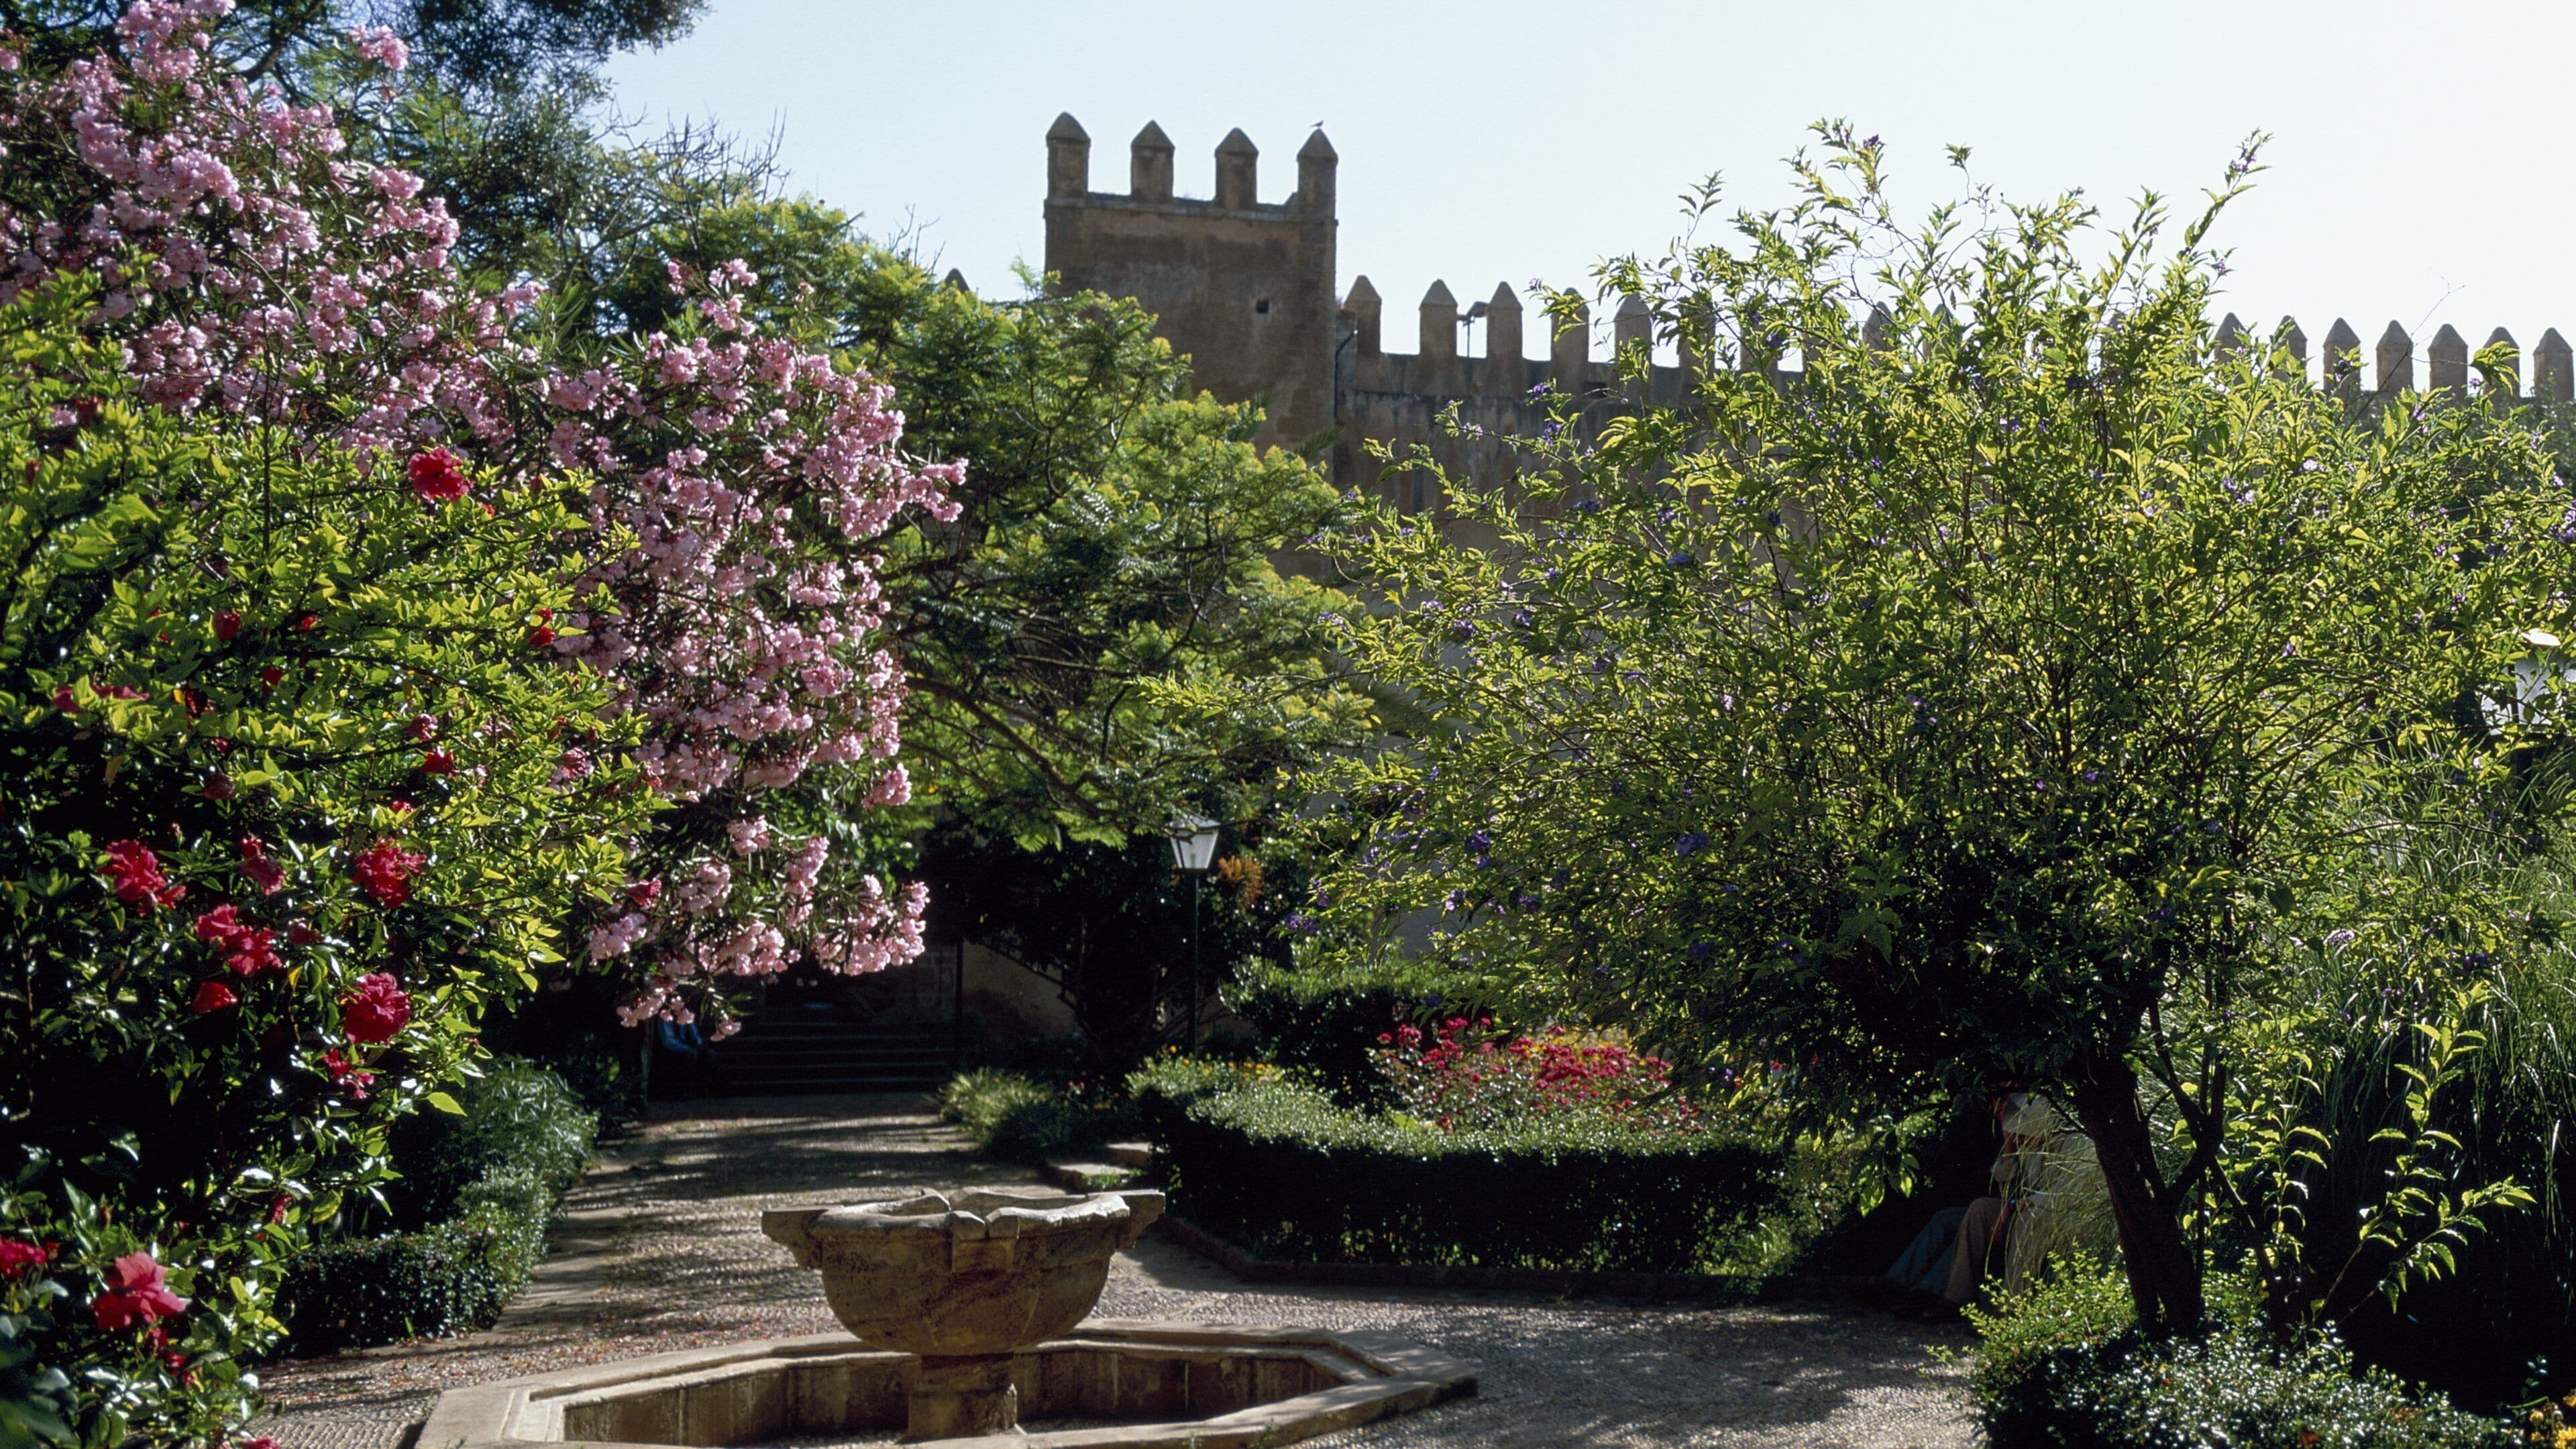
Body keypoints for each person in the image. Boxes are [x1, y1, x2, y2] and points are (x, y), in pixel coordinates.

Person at [1884, 1090, 2057, 1314]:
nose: (2000, 1110)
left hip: (2037, 1213)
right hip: (2014, 1208)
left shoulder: (2046, 1134)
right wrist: (2008, 1150)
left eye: (2004, 1103)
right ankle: (1899, 1284)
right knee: (1952, 1218)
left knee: (1974, 1220)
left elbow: (2044, 1195)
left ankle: (1935, 1295)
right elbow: (2007, 1192)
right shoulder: (2019, 1138)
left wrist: (2009, 1209)